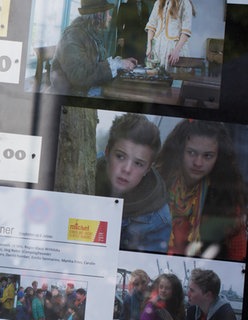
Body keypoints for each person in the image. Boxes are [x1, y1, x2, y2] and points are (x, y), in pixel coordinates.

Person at [156, 120, 247, 261]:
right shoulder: (155, 186)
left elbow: (239, 259)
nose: (198, 163)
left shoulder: (227, 200)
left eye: (207, 156)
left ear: (218, 158)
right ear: (179, 151)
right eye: (192, 153)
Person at [95, 113, 171, 253]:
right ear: (107, 152)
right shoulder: (83, 172)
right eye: (120, 156)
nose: (127, 169)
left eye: (138, 163)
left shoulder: (158, 219)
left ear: (148, 169)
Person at [50, 0, 137, 96]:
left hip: (85, 91)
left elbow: (95, 65)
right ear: (99, 14)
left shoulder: (88, 33)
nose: (110, 17)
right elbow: (80, 76)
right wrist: (116, 64)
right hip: (71, 98)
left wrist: (121, 63)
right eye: (107, 13)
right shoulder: (73, 35)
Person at [145, 0, 195, 68]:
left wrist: (176, 51)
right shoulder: (159, 2)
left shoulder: (184, 3)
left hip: (174, 49)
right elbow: (151, 26)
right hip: (157, 48)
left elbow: (186, 31)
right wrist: (149, 47)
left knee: (173, 75)